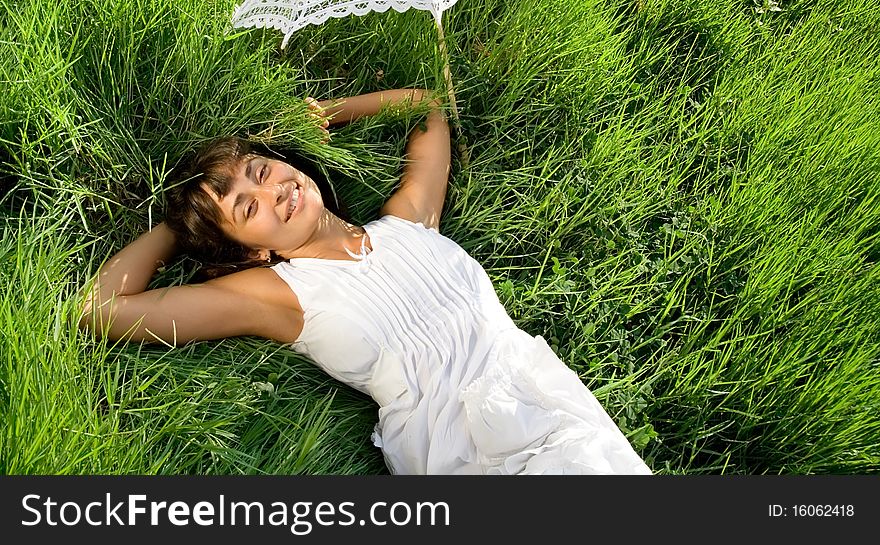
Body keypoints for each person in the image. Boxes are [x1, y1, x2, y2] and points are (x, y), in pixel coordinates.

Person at [79, 87, 652, 475]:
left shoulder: (408, 223)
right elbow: (101, 310)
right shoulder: (281, 294)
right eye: (248, 209)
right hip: (466, 449)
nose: (273, 190)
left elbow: (428, 108)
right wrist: (180, 225)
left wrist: (330, 110)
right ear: (251, 250)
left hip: (553, 404)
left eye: (261, 170)